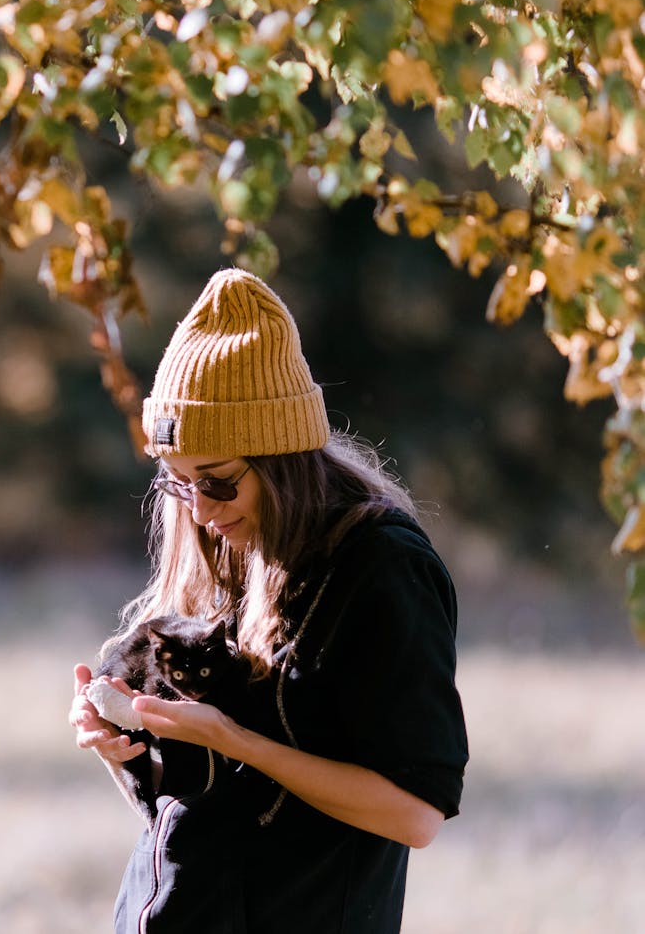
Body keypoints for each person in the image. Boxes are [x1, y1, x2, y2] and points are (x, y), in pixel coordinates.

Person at [70, 267, 469, 933]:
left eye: (218, 481)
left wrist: (236, 740)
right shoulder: (215, 544)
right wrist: (124, 751)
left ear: (281, 455)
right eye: (179, 483)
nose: (198, 511)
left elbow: (416, 813)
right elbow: (190, 808)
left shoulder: (383, 566)